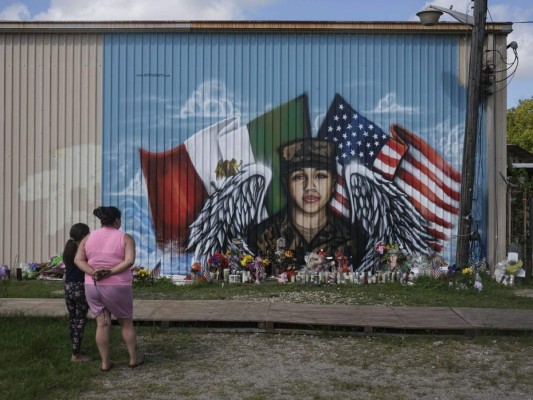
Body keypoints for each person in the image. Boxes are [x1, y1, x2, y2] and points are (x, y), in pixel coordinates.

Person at [250, 138, 367, 268]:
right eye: (299, 177)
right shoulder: (262, 237)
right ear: (285, 184)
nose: (310, 186)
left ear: (333, 183)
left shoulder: (352, 238)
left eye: (321, 176)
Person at [75, 206, 141, 372]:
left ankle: (105, 362)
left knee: (102, 324)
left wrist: (93, 272)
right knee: (126, 322)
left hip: (92, 285)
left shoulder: (88, 238)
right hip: (117, 286)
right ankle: (133, 359)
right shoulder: (125, 238)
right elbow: (129, 261)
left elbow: (78, 260)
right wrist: (110, 272)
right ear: (117, 220)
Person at [63, 222, 91, 362]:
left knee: (73, 319)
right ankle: (76, 355)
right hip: (80, 287)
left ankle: (75, 349)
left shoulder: (69, 247)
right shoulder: (82, 250)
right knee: (80, 319)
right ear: (84, 236)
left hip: (68, 287)